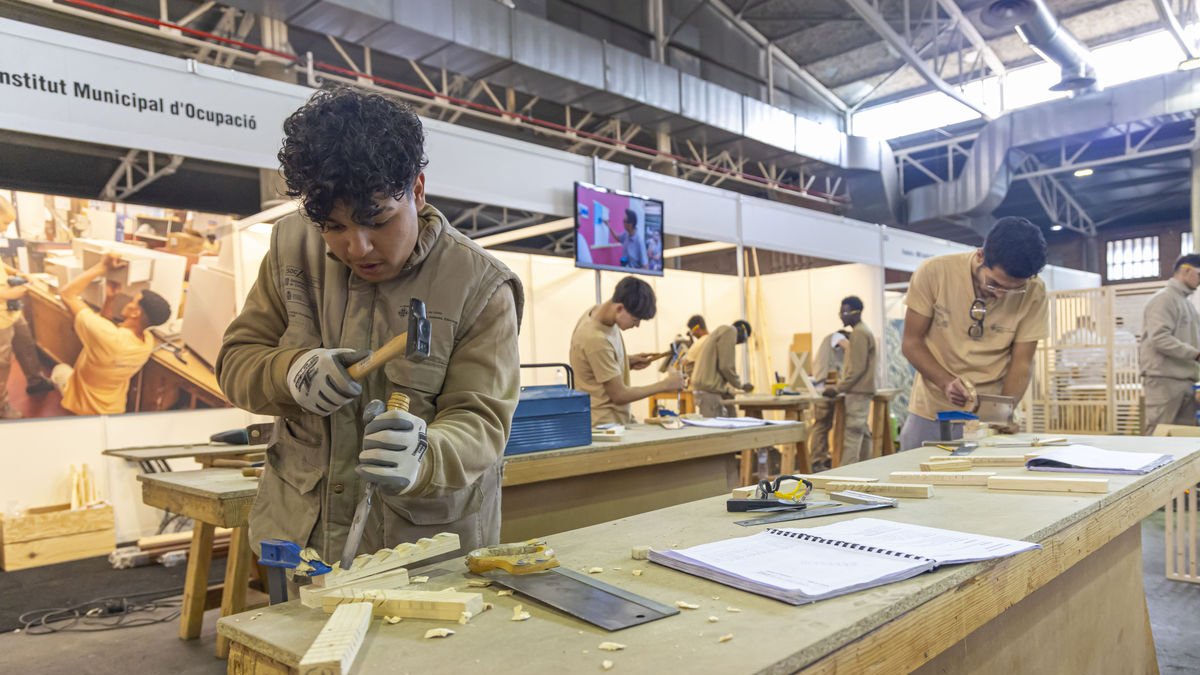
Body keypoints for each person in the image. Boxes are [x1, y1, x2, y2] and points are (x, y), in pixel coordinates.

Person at [216, 88, 523, 560]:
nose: (357, 247)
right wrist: (289, 372)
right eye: (334, 227)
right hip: (303, 543)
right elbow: (236, 364)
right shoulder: (290, 247)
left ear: (416, 190)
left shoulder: (479, 284)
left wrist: (427, 455)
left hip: (420, 557)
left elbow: (482, 422)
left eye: (376, 220)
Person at [899, 217, 1048, 450]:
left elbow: (1022, 362)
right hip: (932, 410)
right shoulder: (934, 273)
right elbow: (911, 343)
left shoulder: (1034, 290)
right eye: (994, 284)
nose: (1001, 295)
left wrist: (1001, 412)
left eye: (1014, 290)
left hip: (991, 414)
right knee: (913, 467)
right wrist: (946, 382)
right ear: (980, 255)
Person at [53, 252, 171, 415]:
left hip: (83, 405)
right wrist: (110, 299)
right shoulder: (147, 341)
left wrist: (102, 266)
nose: (128, 301)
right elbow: (105, 329)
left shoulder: (109, 336)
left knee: (59, 370)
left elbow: (67, 294)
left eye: (133, 301)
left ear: (135, 313)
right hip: (113, 407)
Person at [569, 276, 683, 424]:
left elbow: (594, 364)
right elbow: (619, 395)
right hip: (604, 425)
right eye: (636, 319)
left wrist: (625, 361)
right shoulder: (595, 339)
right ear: (619, 308)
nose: (637, 325)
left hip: (615, 420)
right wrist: (664, 385)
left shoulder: (596, 312)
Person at [1139, 254, 1200, 432]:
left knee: (1182, 436)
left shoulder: (1187, 304)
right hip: (1164, 379)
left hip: (1185, 380)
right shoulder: (1164, 299)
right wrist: (1195, 354)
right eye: (1199, 274)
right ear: (1186, 270)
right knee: (1160, 432)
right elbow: (1160, 338)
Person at [823, 296, 877, 466]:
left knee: (852, 434)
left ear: (857, 313)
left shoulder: (860, 333)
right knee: (863, 432)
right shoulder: (861, 331)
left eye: (845, 312)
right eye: (841, 312)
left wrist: (838, 388)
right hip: (859, 391)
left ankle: (847, 473)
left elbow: (857, 369)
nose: (842, 316)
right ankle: (868, 467)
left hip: (858, 392)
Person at [689, 320, 754, 417]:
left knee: (728, 418)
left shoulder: (719, 333)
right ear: (742, 332)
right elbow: (726, 366)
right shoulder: (730, 331)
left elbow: (719, 366)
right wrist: (740, 385)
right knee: (715, 425)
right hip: (709, 390)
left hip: (704, 388)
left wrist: (727, 389)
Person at [809, 330, 849, 471]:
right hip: (823, 390)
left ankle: (821, 458)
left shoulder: (833, 347)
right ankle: (816, 461)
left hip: (825, 389)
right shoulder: (836, 337)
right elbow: (850, 347)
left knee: (825, 425)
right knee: (822, 425)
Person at [0, 275, 28, 418]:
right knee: (2, 366)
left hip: (9, 314)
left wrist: (14, 272)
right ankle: (2, 407)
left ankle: (36, 380)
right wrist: (12, 293)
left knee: (26, 345)